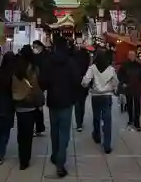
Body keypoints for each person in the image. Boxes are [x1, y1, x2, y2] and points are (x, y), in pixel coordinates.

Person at [39, 36, 81, 178]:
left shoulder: (49, 62)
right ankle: (60, 163)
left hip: (53, 101)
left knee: (54, 131)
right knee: (64, 133)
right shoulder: (71, 62)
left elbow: (42, 82)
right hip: (67, 102)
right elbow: (77, 81)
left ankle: (55, 155)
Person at [12, 45, 43, 170]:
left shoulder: (16, 68)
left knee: (21, 132)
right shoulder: (33, 69)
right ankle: (25, 159)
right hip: (30, 104)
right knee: (28, 134)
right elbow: (35, 87)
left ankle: (21, 158)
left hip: (19, 104)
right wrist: (39, 103)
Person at [82, 49, 118, 154]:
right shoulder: (111, 69)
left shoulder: (93, 68)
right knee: (107, 120)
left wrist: (86, 86)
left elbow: (85, 81)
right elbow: (115, 81)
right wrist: (113, 88)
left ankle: (97, 135)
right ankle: (107, 145)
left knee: (96, 117)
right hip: (107, 96)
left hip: (96, 96)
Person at [118, 50, 141, 131]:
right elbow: (120, 75)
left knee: (137, 106)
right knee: (129, 104)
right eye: (130, 55)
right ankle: (130, 120)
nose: (131, 56)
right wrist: (123, 83)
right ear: (128, 56)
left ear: (135, 56)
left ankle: (137, 123)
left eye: (133, 55)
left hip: (137, 88)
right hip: (128, 87)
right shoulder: (124, 65)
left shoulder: (139, 65)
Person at [32, 40, 48, 136]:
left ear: (40, 47)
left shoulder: (42, 57)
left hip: (38, 84)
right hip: (38, 84)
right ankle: (39, 127)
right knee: (38, 107)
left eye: (35, 46)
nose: (34, 48)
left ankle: (38, 127)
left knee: (36, 106)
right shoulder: (40, 57)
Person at [73, 45, 90, 132]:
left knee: (77, 104)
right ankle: (81, 120)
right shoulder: (87, 57)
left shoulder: (75, 56)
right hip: (84, 82)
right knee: (82, 103)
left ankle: (78, 123)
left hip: (76, 82)